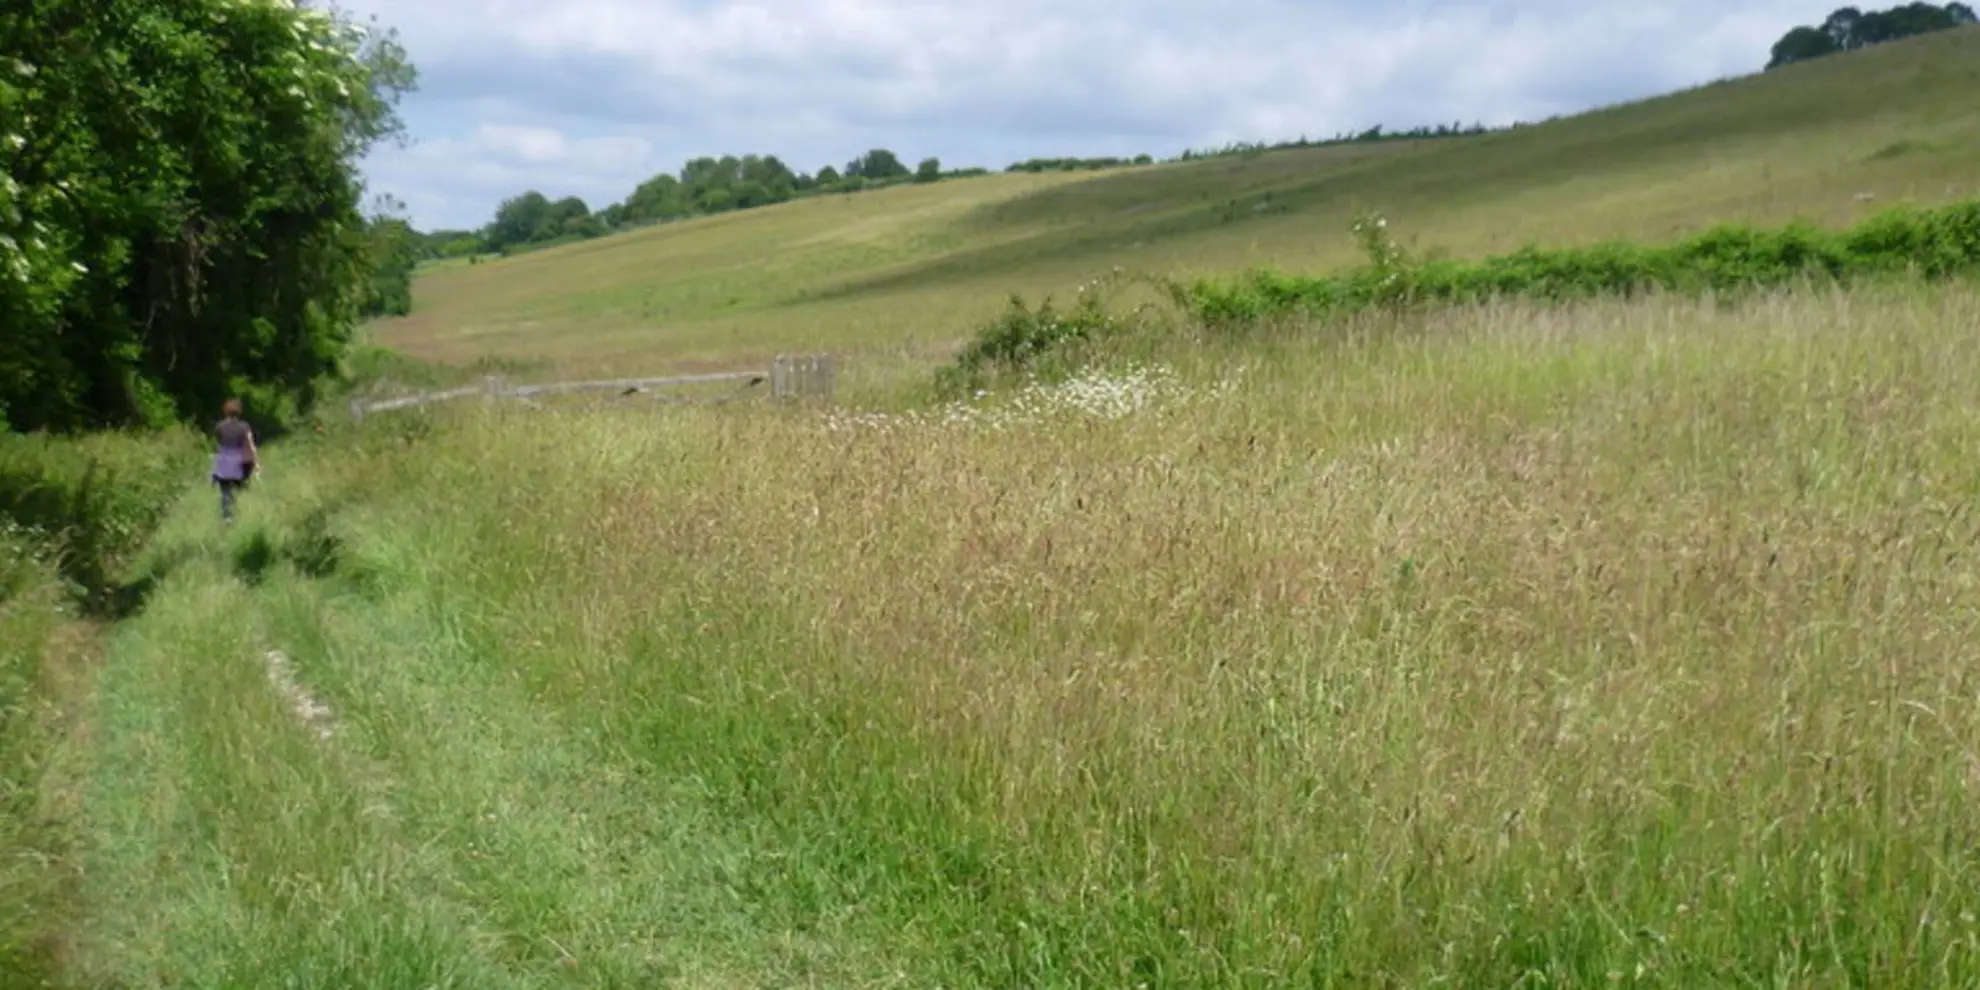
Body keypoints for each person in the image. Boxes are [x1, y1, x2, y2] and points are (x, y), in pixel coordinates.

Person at [212, 398, 258, 523]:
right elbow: (250, 445)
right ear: (239, 412)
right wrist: (256, 462)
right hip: (240, 462)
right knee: (241, 487)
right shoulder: (244, 427)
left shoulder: (219, 427)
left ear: (226, 412)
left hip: (225, 462)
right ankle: (243, 513)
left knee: (225, 490)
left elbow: (218, 446)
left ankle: (228, 517)